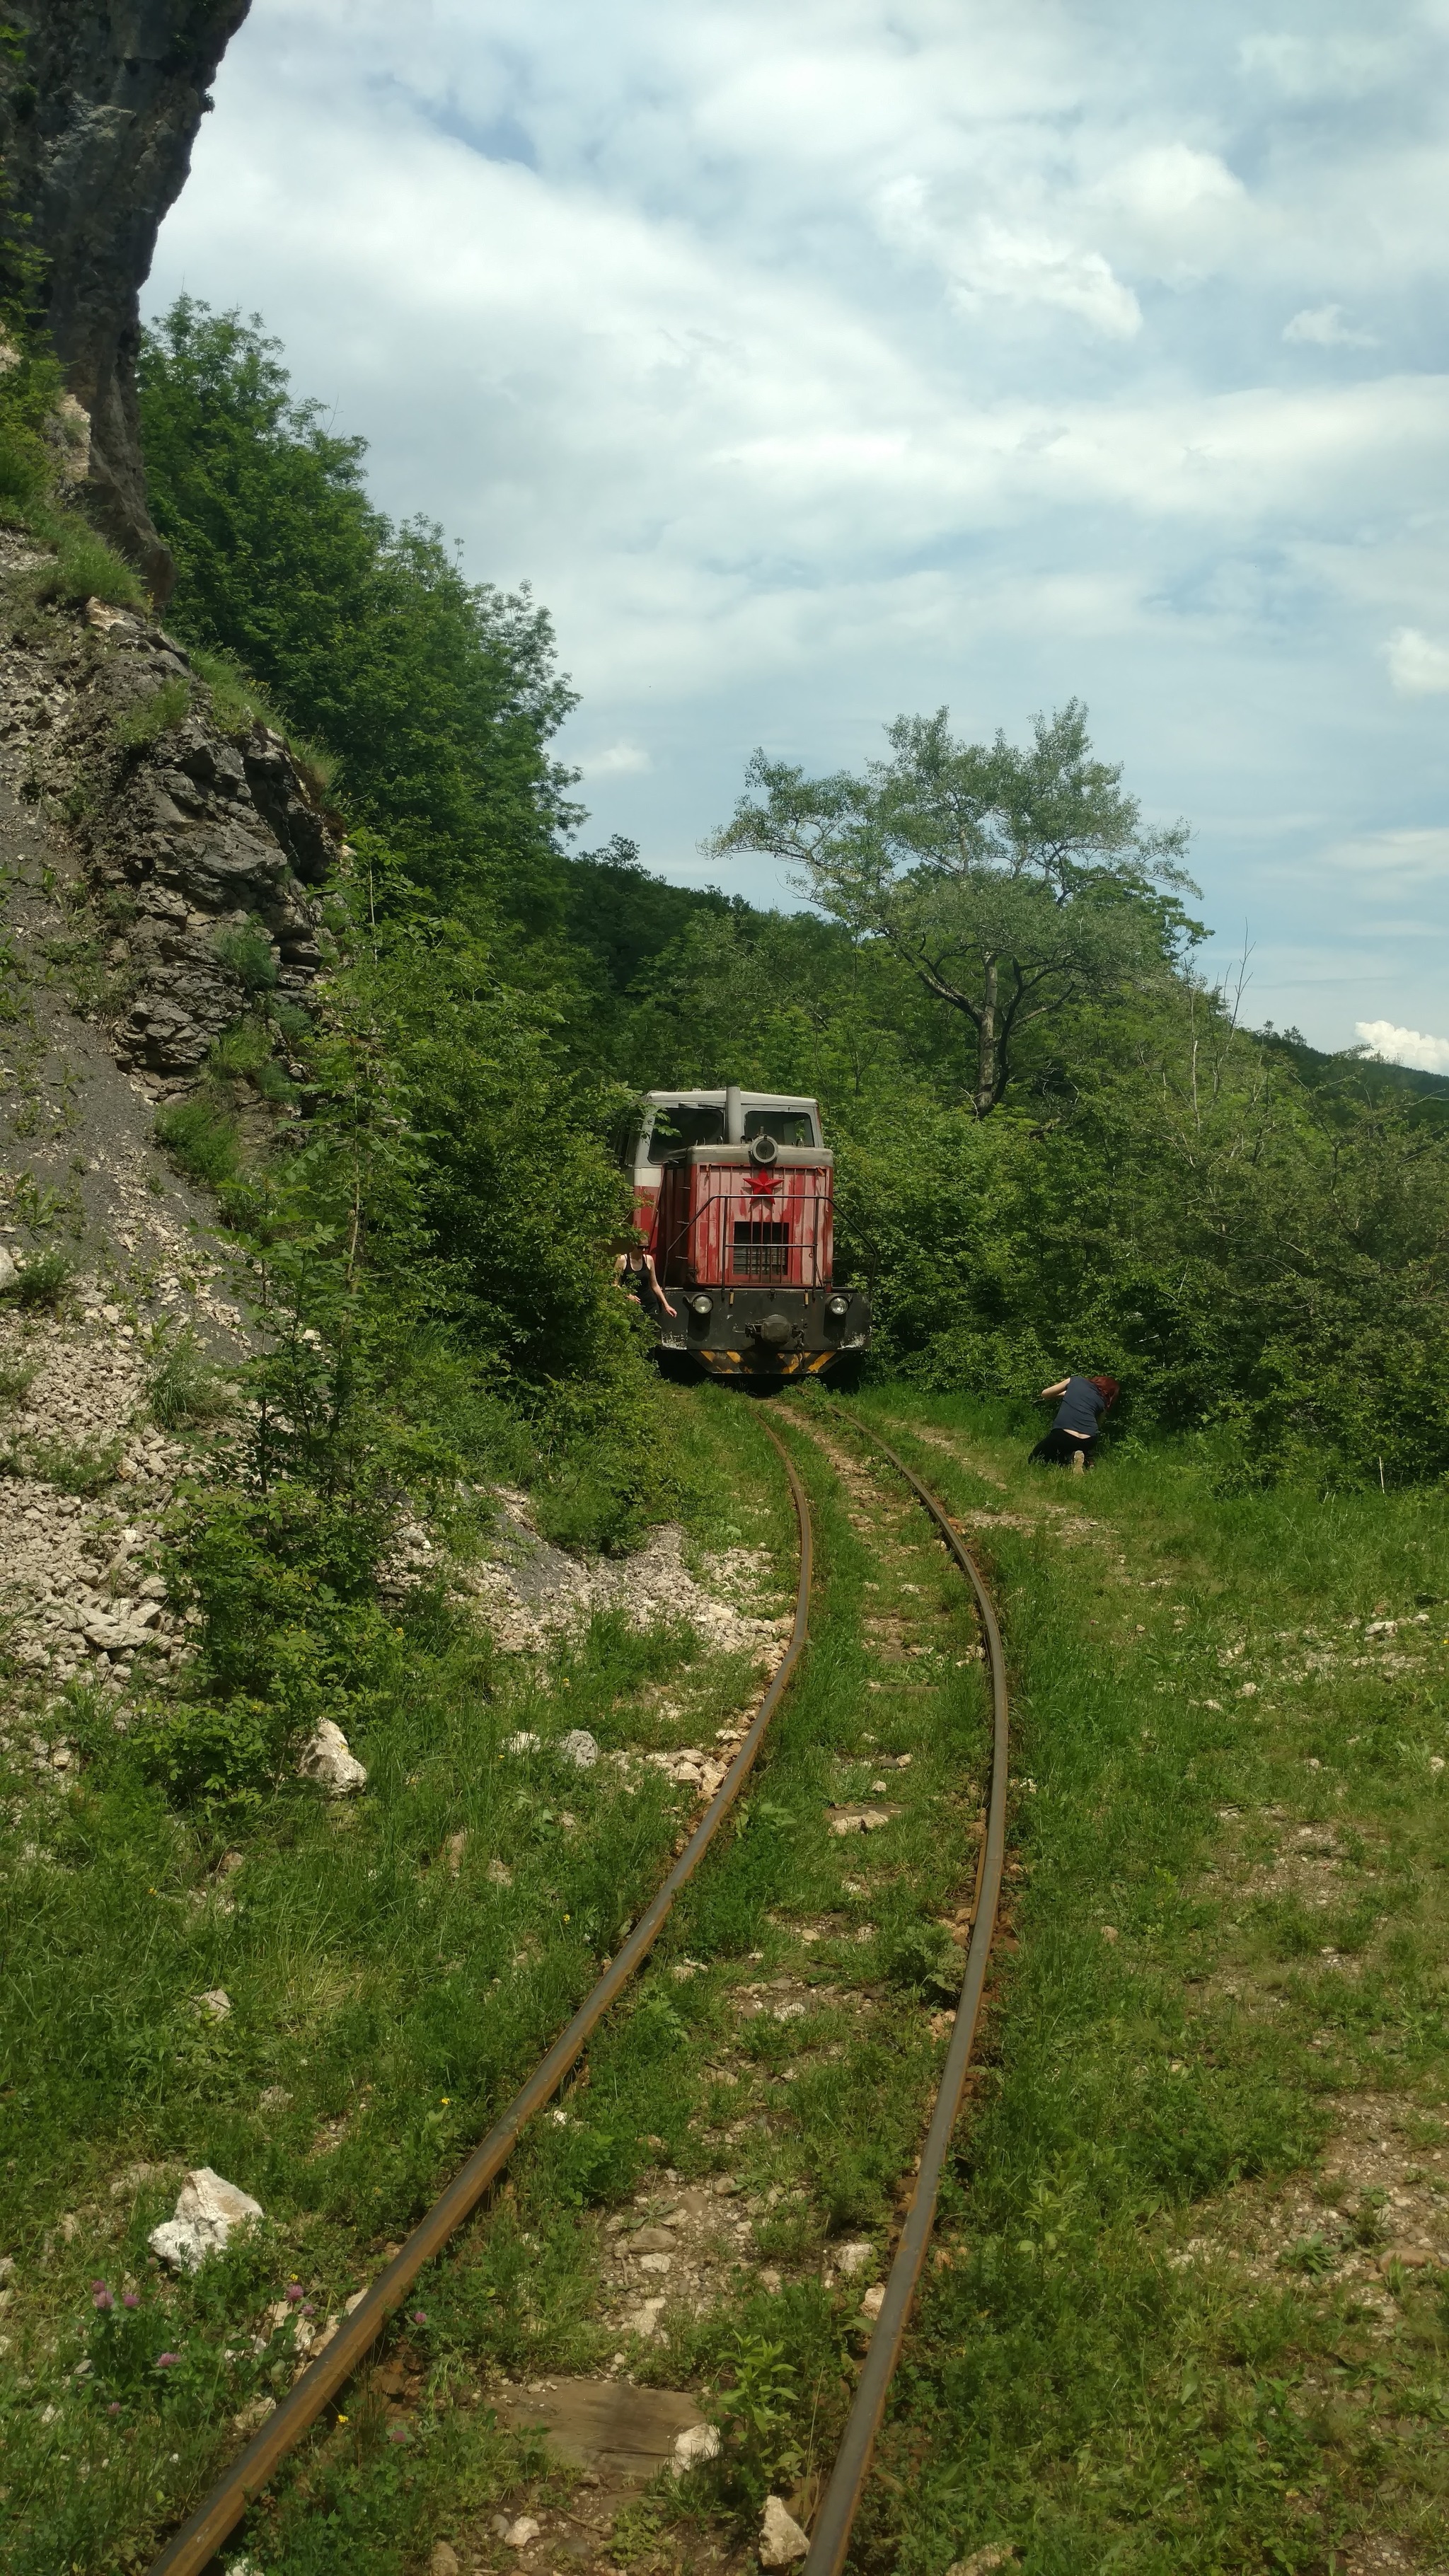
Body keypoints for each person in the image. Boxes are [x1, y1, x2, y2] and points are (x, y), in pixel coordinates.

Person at [1031, 1373, 1119, 1472]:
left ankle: (1072, 1460)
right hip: (1089, 1439)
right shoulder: (1102, 1402)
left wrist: (1066, 1393)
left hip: (1064, 1435)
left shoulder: (1076, 1380)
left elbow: (1045, 1394)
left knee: (1035, 1460)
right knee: (1065, 1454)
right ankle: (1081, 1460)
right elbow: (1098, 1424)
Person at [614, 1242, 677, 1321]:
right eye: (640, 1247)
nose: (644, 1250)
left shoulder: (649, 1259)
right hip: (631, 1305)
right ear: (634, 1245)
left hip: (650, 1304)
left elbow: (655, 1285)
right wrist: (627, 1295)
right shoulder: (623, 1259)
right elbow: (614, 1284)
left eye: (646, 1247)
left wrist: (666, 1305)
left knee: (652, 1331)